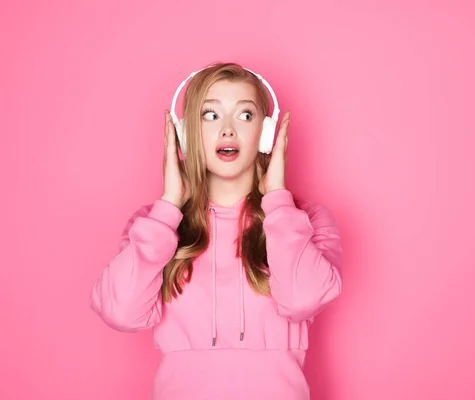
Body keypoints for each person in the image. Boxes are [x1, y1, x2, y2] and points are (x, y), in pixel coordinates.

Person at [90, 62, 343, 399]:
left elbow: (302, 299)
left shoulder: (304, 220)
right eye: (210, 115)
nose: (227, 131)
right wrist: (169, 205)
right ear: (186, 133)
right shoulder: (155, 224)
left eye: (245, 115)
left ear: (265, 133)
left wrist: (278, 203)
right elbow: (120, 312)